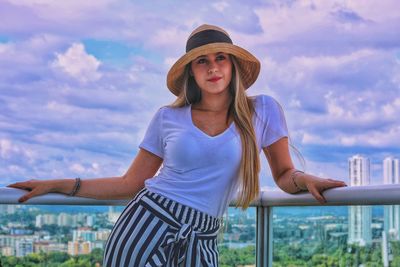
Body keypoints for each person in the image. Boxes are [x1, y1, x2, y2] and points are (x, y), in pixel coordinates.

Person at [7, 24, 347, 266]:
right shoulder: (168, 118)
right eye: (202, 60)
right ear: (191, 72)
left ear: (233, 66)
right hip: (145, 225)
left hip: (203, 239)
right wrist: (59, 184)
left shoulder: (263, 111)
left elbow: (284, 173)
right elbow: (131, 184)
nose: (212, 66)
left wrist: (307, 180)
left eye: (220, 58)